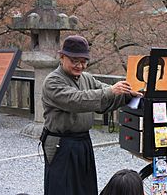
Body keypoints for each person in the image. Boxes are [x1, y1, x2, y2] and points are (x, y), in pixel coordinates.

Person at [40, 35, 142, 195]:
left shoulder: (86, 78)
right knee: (62, 188)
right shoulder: (53, 81)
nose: (80, 66)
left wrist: (130, 95)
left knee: (85, 187)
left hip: (83, 141)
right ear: (62, 57)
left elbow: (105, 100)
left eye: (83, 61)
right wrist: (110, 91)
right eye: (75, 61)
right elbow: (76, 100)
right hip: (61, 143)